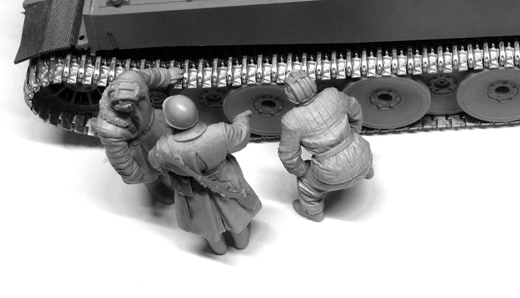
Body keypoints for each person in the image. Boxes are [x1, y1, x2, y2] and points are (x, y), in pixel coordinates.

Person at [148, 95, 262, 254]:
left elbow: (155, 162)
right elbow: (240, 135)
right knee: (237, 217)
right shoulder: (218, 132)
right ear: (196, 113)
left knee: (207, 226)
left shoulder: (164, 148)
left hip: (193, 191)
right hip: (227, 183)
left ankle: (220, 251)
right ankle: (242, 244)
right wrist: (241, 118)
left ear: (169, 122)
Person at [278, 70, 374, 222]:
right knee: (361, 150)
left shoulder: (291, 120)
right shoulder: (332, 94)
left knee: (306, 184)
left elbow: (288, 157)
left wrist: (303, 171)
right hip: (362, 154)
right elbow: (355, 110)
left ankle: (313, 212)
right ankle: (367, 171)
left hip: (331, 172)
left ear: (290, 95)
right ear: (312, 83)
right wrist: (354, 133)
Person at [93, 66, 183, 204]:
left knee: (178, 149)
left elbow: (149, 76)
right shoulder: (109, 128)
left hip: (157, 122)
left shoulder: (132, 78)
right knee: (148, 173)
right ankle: (154, 185)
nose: (133, 111)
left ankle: (180, 172)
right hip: (138, 144)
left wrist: (167, 75)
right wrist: (134, 176)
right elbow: (119, 158)